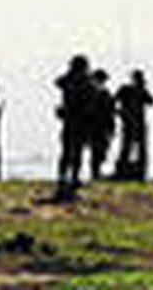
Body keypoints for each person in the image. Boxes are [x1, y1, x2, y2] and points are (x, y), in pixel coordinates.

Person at [53, 55, 97, 200]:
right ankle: (72, 180)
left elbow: (58, 82)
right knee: (76, 153)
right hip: (80, 120)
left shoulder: (69, 80)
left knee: (67, 153)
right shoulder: (85, 82)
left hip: (70, 120)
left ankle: (63, 180)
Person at [113, 70, 153, 181]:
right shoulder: (126, 90)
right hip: (130, 123)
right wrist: (121, 112)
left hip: (137, 124)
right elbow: (113, 101)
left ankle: (139, 172)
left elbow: (151, 101)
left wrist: (119, 112)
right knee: (127, 148)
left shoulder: (135, 90)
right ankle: (124, 171)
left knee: (137, 149)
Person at [88, 70, 117, 180]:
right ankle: (95, 172)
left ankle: (96, 172)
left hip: (102, 125)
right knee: (97, 150)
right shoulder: (95, 93)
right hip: (97, 126)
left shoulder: (103, 93)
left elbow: (110, 110)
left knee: (100, 150)